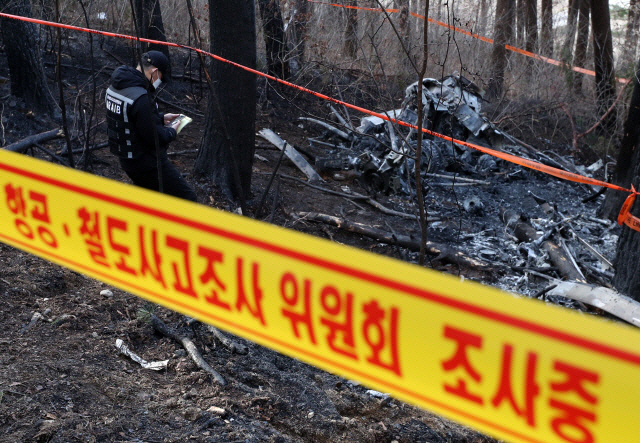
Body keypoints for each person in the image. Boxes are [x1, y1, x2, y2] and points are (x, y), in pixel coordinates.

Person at [105, 50, 197, 202]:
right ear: (154, 71)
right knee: (188, 198)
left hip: (128, 161)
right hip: (148, 165)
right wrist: (172, 131)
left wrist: (160, 118)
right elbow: (155, 138)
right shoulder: (141, 97)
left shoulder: (116, 87)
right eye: (160, 77)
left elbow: (131, 118)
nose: (159, 82)